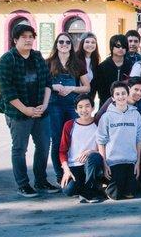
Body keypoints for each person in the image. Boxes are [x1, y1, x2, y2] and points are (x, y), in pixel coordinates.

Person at [0, 24, 58, 197]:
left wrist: (44, 105)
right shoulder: (7, 60)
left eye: (31, 36)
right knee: (19, 149)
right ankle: (23, 184)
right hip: (18, 113)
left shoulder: (37, 57)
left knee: (44, 145)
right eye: (24, 36)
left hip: (40, 110)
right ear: (15, 40)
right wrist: (26, 110)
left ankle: (41, 180)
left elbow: (48, 82)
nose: (28, 39)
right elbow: (7, 91)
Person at [47, 32, 91, 183]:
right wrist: (55, 86)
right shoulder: (49, 63)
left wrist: (71, 88)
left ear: (72, 46)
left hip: (72, 106)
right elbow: (43, 85)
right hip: (54, 106)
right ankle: (61, 176)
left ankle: (76, 172)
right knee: (57, 140)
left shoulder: (78, 63)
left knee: (73, 138)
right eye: (61, 42)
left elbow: (86, 87)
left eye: (67, 42)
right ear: (56, 44)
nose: (64, 45)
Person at [96, 81, 141, 200]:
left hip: (130, 161)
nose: (121, 96)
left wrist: (137, 162)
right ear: (113, 97)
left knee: (130, 195)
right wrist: (104, 163)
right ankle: (104, 185)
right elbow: (101, 141)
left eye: (123, 93)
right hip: (113, 161)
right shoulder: (106, 116)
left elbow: (139, 140)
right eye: (117, 94)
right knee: (115, 196)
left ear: (127, 95)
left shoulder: (136, 115)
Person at [59, 94, 104, 203]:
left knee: (94, 156)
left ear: (93, 108)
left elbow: (105, 146)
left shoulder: (99, 123)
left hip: (92, 164)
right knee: (68, 190)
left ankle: (88, 192)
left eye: (87, 106)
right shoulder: (69, 125)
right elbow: (62, 150)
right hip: (75, 165)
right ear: (75, 110)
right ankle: (92, 186)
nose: (84, 109)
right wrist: (66, 170)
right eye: (80, 107)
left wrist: (91, 151)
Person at [95, 34, 133, 104]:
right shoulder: (102, 67)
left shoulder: (130, 65)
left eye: (124, 46)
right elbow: (101, 91)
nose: (121, 48)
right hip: (107, 103)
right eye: (118, 46)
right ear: (112, 47)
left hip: (126, 103)